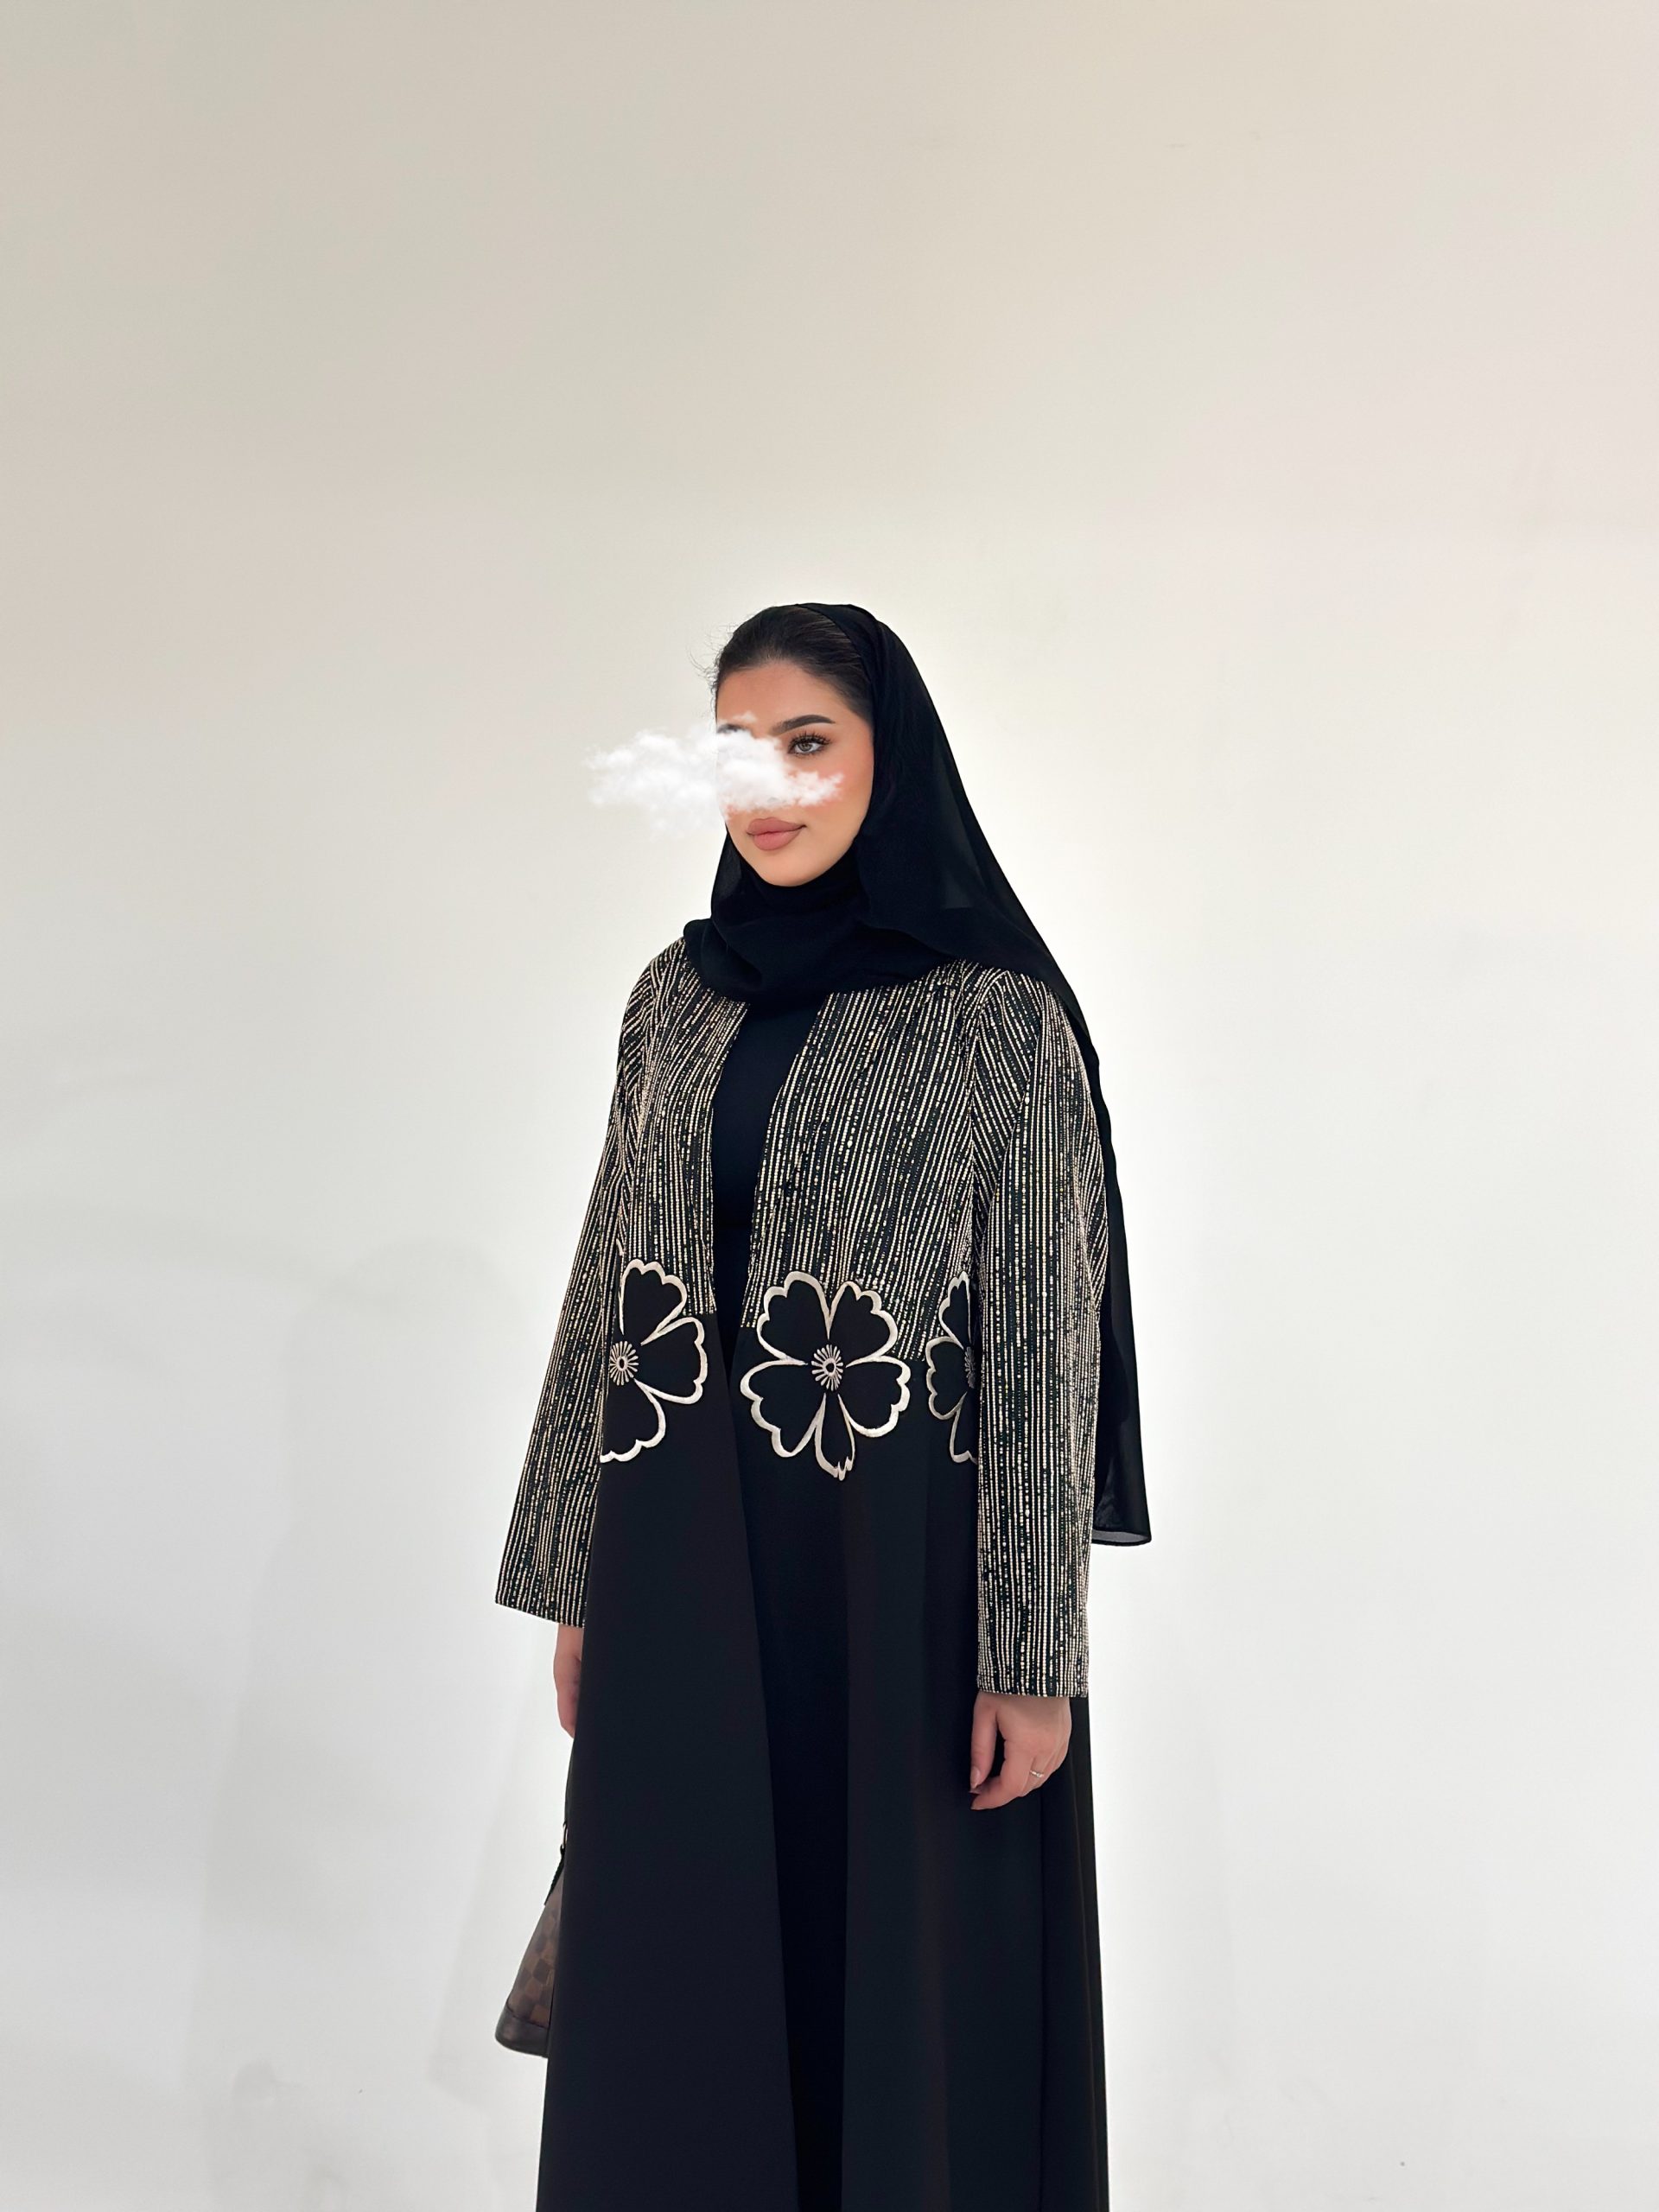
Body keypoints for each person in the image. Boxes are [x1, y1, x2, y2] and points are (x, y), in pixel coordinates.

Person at [496, 601, 1149, 2212]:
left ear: (890, 759)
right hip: (678, 1552)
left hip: (893, 1582)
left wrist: (1033, 1657)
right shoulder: (677, 996)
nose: (769, 787)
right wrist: (578, 1582)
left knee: (893, 1978)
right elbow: (608, 1276)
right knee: (684, 1959)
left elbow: (1046, 1343)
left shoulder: (995, 1016)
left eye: (809, 743)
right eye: (739, 749)